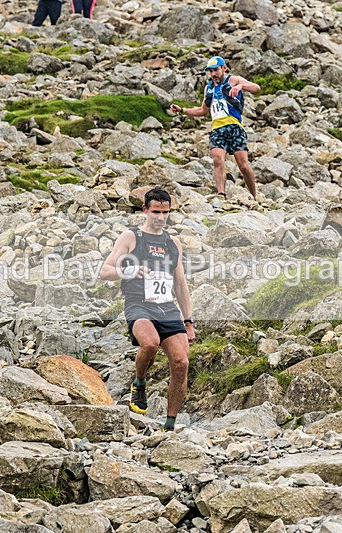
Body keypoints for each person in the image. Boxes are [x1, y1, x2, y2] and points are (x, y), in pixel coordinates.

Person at [99, 187, 195, 431]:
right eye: (156, 212)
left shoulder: (173, 243)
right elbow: (104, 271)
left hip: (167, 308)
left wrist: (189, 320)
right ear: (145, 210)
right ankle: (139, 382)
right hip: (138, 303)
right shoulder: (131, 238)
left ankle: (170, 424)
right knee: (150, 343)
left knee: (181, 362)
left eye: (166, 213)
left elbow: (180, 283)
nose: (161, 218)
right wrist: (128, 271)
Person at [170, 56, 261, 199]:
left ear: (224, 68)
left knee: (243, 165)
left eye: (216, 70)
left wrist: (240, 86)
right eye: (210, 71)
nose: (213, 74)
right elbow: (203, 111)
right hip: (217, 130)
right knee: (217, 160)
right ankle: (221, 194)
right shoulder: (209, 88)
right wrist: (182, 110)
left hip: (235, 127)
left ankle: (254, 195)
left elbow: (256, 88)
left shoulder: (233, 80)